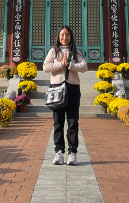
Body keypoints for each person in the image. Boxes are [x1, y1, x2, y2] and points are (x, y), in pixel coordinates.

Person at [43, 25, 87, 166]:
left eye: (67, 35)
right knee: (58, 123)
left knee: (73, 122)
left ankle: (72, 153)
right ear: (58, 36)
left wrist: (69, 64)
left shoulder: (76, 51)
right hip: (57, 89)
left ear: (71, 36)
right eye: (62, 35)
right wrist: (60, 65)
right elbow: (45, 67)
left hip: (72, 88)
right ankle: (59, 152)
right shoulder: (53, 51)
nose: (64, 37)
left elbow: (84, 67)